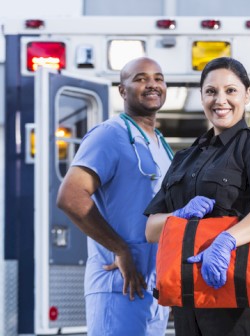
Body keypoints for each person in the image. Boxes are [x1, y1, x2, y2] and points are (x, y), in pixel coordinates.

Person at [144, 57, 250, 336]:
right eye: (211, 91)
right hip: (190, 301)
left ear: (247, 94)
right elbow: (151, 229)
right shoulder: (185, 158)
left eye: (230, 91)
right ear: (201, 97)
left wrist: (227, 240)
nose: (220, 100)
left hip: (240, 300)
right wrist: (177, 217)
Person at [56, 57, 172, 336]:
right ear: (122, 90)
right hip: (118, 283)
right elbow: (71, 197)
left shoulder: (159, 144)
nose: (152, 84)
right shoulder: (109, 135)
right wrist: (120, 249)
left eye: (158, 78)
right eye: (141, 78)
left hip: (153, 287)